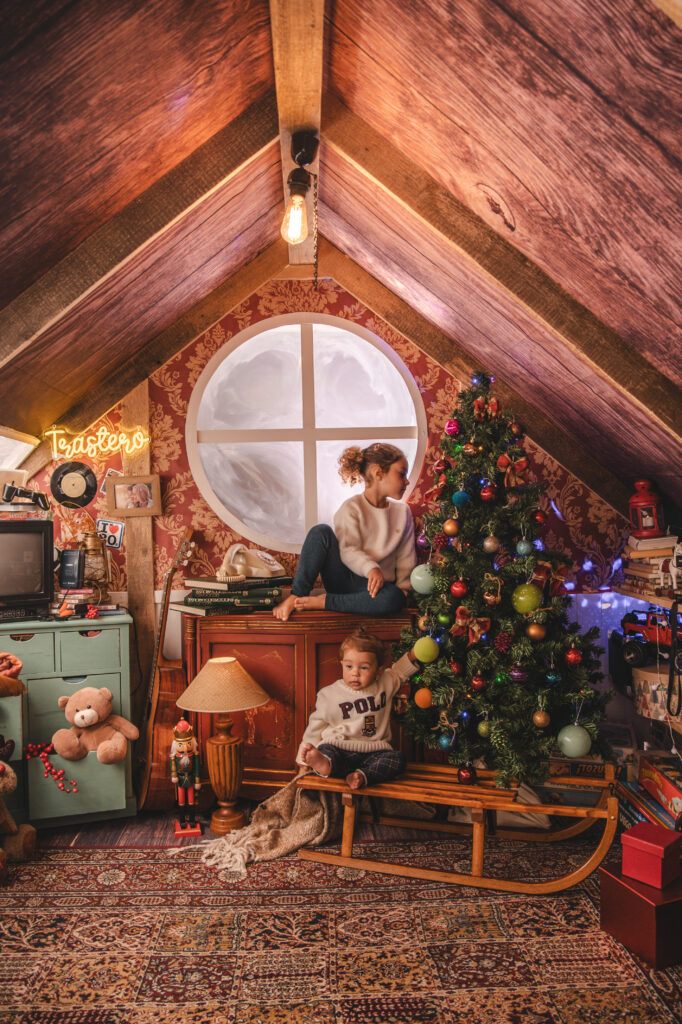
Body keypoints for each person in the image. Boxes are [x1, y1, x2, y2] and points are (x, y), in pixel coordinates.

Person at [273, 443, 416, 620]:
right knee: (321, 532)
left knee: (394, 598)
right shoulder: (351, 508)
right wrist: (371, 568)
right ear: (379, 473)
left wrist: (403, 593)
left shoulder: (403, 513)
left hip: (376, 590)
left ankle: (325, 602)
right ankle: (297, 595)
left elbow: (406, 559)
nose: (407, 481)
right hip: (344, 580)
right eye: (402, 474)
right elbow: (348, 551)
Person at [296, 628, 418, 789]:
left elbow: (399, 672)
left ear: (378, 671)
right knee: (326, 751)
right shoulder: (329, 695)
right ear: (342, 664)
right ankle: (324, 764)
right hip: (339, 747)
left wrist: (413, 655)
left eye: (364, 668)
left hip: (374, 751)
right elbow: (314, 728)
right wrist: (302, 763)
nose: (355, 673)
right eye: (349, 666)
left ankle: (360, 775)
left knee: (397, 759)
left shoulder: (384, 683)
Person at [170, 719, 201, 829]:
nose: (184, 748)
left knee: (191, 800)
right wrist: (174, 776)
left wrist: (197, 780)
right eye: (181, 744)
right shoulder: (175, 757)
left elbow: (197, 768)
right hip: (181, 780)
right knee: (181, 801)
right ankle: (182, 820)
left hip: (191, 779)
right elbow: (172, 767)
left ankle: (192, 820)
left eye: (188, 744)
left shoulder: (194, 755)